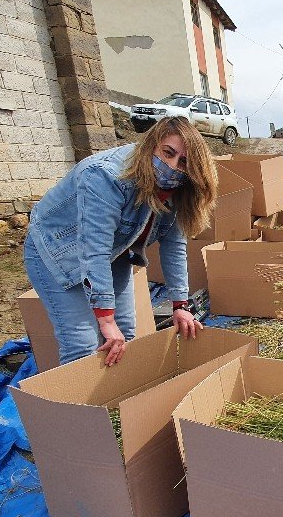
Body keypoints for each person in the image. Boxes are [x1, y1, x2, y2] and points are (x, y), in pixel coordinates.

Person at [24, 117, 218, 366]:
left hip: (116, 250)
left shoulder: (178, 188)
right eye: (167, 153)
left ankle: (119, 400)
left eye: (183, 162)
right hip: (56, 248)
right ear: (152, 144)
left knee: (124, 332)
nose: (171, 166)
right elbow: (95, 248)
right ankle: (80, 403)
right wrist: (105, 318)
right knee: (81, 343)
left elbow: (174, 247)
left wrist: (180, 304)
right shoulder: (105, 175)